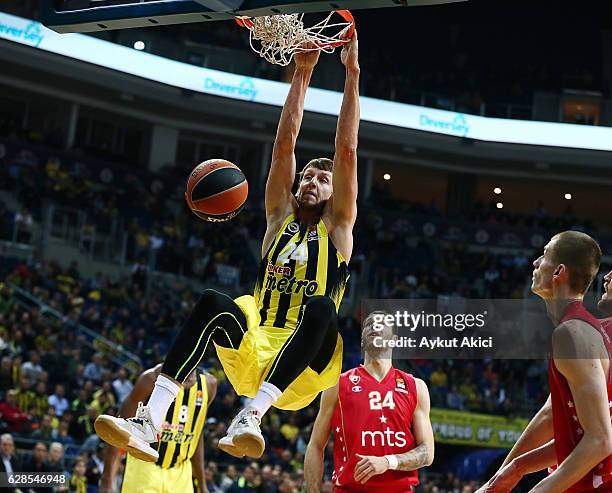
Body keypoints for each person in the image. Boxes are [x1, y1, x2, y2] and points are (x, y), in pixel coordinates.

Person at [95, 33, 360, 461]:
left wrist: (351, 74)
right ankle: (150, 421)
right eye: (307, 176)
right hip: (256, 347)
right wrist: (303, 73)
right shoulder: (279, 219)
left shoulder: (339, 228)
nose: (311, 182)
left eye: (322, 179)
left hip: (303, 366)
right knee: (212, 301)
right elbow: (284, 147)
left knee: (322, 307)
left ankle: (251, 417)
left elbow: (346, 150)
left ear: (336, 193)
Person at [479, 232, 612, 493]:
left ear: (559, 271)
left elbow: (600, 439)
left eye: (545, 255)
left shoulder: (575, 332)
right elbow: (557, 419)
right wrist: (509, 472)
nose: (535, 262)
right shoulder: (595, 330)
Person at [304, 312, 434, 492]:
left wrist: (388, 462)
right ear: (362, 340)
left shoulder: (416, 387)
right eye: (369, 324)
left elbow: (427, 452)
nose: (374, 326)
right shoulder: (337, 384)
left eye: (382, 324)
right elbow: (315, 445)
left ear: (394, 340)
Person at [100, 365, 217, 493]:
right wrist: (107, 482)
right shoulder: (150, 379)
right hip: (144, 468)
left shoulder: (209, 385)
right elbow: (118, 431)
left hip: (181, 473)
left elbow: (195, 434)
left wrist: (202, 486)